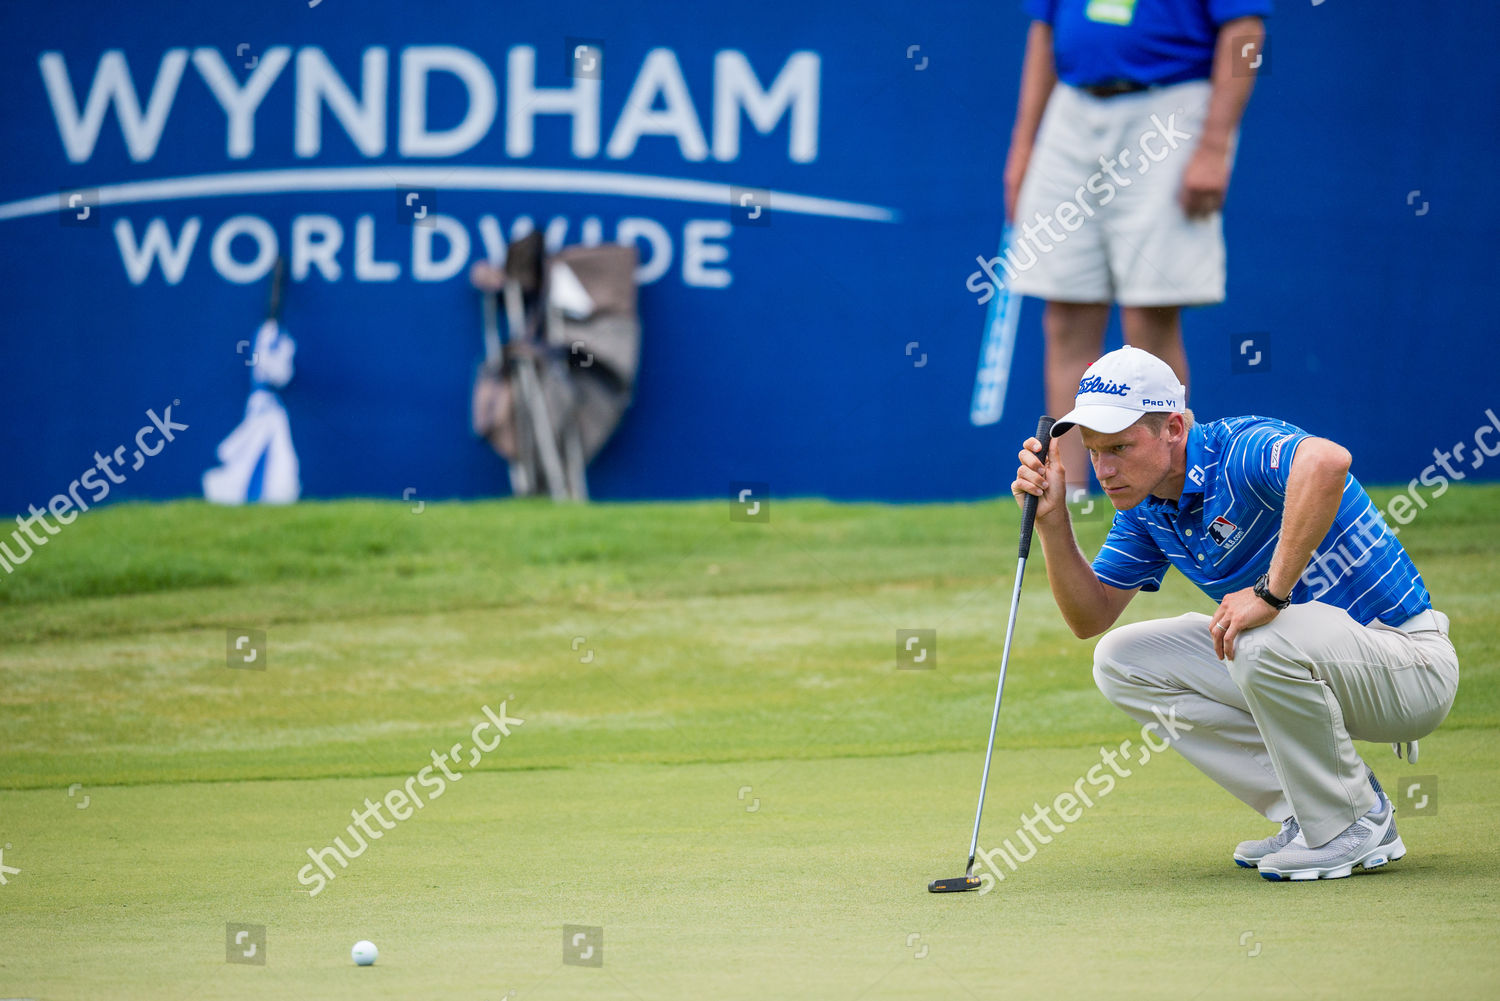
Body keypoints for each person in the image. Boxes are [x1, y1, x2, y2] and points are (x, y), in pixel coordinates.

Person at [1011, 346, 1459, 880]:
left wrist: (1269, 593)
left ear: (1173, 428)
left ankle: (1352, 822)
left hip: (1408, 665)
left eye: (1121, 448)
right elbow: (1090, 618)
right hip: (1315, 662)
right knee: (1121, 660)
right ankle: (1312, 812)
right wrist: (1053, 521)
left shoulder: (1240, 447)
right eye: (1094, 451)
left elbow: (1328, 462)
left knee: (1257, 636)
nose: (1104, 470)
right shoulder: (1147, 506)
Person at [1002, 0, 1268, 496]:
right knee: (1065, 314)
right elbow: (1044, 29)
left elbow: (1245, 28)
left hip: (1171, 105)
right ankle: (1071, 498)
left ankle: (1166, 493)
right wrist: (1023, 146)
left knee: (1149, 316)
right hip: (1071, 106)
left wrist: (1214, 145)